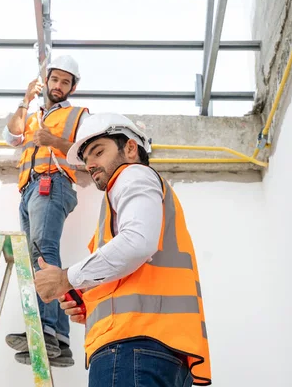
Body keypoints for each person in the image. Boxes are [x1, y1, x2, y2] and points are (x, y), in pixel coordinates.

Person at [34, 113, 212, 386]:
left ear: (130, 147)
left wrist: (65, 278)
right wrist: (90, 304)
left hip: (132, 348)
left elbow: (137, 243)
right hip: (161, 349)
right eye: (87, 159)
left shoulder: (132, 175)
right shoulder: (131, 192)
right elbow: (131, 267)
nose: (90, 165)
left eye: (98, 152)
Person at [2, 55, 89, 368]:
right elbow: (11, 136)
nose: (59, 86)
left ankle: (43, 329)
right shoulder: (32, 113)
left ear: (72, 87)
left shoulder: (79, 115)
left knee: (43, 254)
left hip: (52, 183)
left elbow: (85, 153)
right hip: (29, 188)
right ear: (47, 81)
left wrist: (53, 140)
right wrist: (25, 101)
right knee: (41, 255)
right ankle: (61, 342)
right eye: (55, 80)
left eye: (66, 82)